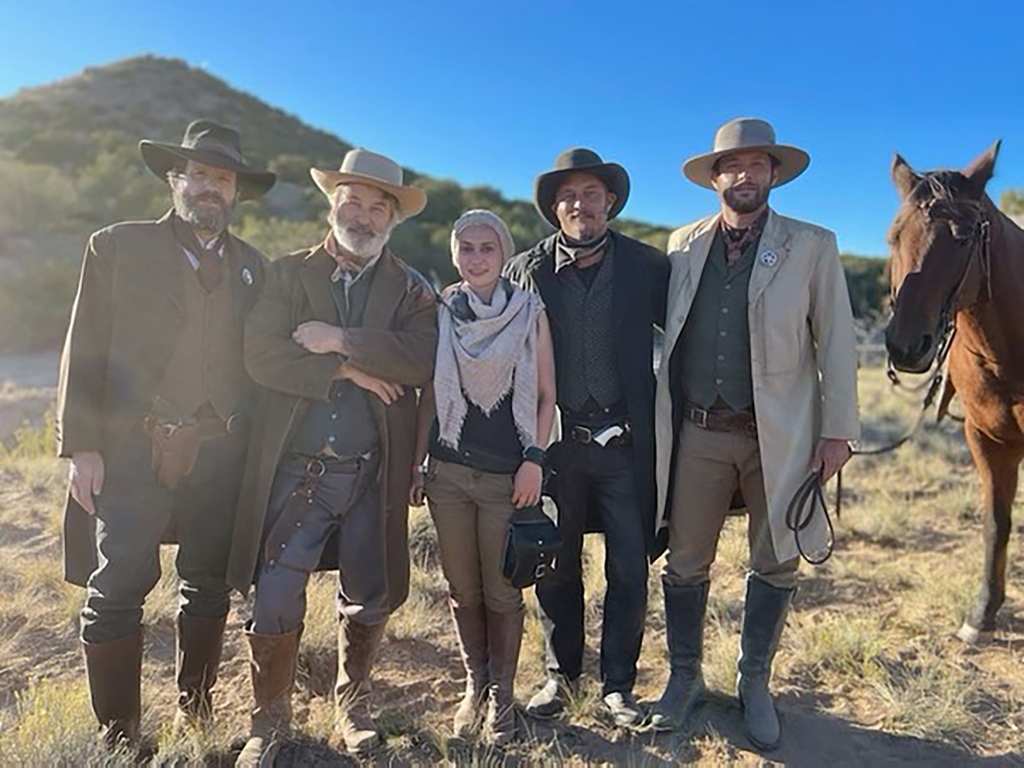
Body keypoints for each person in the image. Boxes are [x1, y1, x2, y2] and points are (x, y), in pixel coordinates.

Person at [56, 120, 275, 748]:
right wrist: (83, 446)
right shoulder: (118, 247)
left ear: (236, 193)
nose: (211, 187)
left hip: (221, 450)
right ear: (176, 179)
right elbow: (85, 346)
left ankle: (195, 710)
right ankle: (120, 737)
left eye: (224, 178)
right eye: (200, 174)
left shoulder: (254, 269)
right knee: (120, 580)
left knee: (207, 580)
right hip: (132, 445)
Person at [650, 118, 859, 749]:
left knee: (777, 557)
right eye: (732, 166)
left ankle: (754, 682)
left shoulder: (813, 245)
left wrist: (837, 432)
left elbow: (839, 342)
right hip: (698, 431)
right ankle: (684, 679)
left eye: (756, 165)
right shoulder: (681, 243)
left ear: (773, 174)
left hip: (784, 434)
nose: (744, 176)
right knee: (685, 560)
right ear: (714, 178)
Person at [227, 148, 437, 764]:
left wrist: (337, 339)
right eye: (353, 202)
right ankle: (268, 721)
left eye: (379, 207)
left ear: (393, 219)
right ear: (332, 202)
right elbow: (262, 356)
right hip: (299, 470)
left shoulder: (409, 286)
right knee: (273, 594)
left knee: (370, 593)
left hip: (374, 470)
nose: (364, 216)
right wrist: (349, 369)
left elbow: (421, 360)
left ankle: (353, 706)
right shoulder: (287, 275)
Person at [504, 148, 669, 727]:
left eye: (592, 194)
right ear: (555, 208)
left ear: (610, 202)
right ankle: (560, 676)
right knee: (556, 564)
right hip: (555, 448)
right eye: (569, 196)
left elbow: (687, 331)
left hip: (626, 446)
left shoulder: (647, 266)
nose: (581, 204)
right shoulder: (526, 271)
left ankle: (618, 685)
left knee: (629, 565)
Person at [409, 210, 556, 744]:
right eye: (466, 248)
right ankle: (475, 684)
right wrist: (417, 463)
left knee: (502, 591)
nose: (476, 258)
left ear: (504, 253)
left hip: (505, 477)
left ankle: (503, 696)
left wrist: (535, 458)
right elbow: (429, 390)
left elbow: (545, 396)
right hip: (447, 473)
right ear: (455, 255)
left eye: (487, 248)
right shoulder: (443, 310)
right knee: (460, 588)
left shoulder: (529, 312)